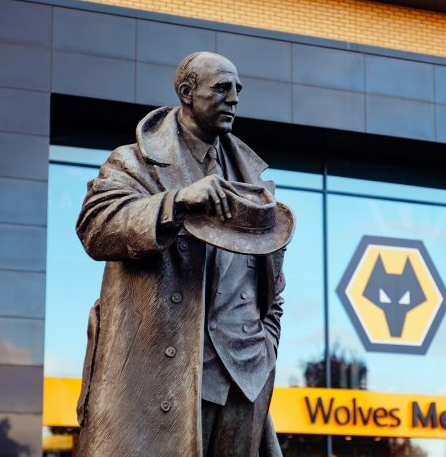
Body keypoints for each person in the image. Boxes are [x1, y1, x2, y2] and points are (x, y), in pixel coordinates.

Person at [74, 52, 287, 456]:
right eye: (222, 88)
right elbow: (96, 225)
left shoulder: (251, 178)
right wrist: (176, 202)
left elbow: (272, 289)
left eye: (238, 90)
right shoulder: (136, 161)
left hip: (246, 376)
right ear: (187, 93)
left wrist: (267, 347)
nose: (234, 99)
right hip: (166, 374)